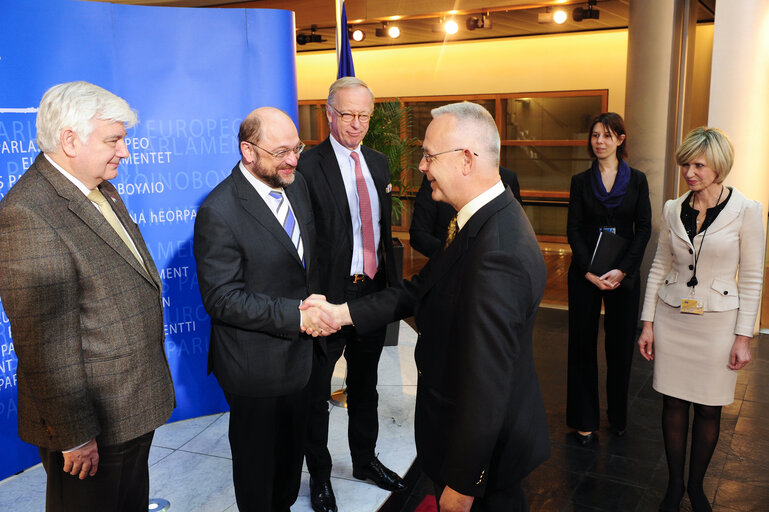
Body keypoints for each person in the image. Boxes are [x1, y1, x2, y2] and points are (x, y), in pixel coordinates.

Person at [303, 101, 550, 512]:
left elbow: (488, 384)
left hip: (482, 459)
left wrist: (463, 482)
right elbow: (416, 289)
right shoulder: (476, 221)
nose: (420, 166)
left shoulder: (497, 252)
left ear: (467, 160)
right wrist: (341, 313)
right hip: (461, 437)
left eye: (429, 156)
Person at [0, 81, 175, 512]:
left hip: (129, 406)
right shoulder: (28, 213)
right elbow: (44, 346)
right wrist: (74, 436)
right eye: (114, 140)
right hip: (90, 426)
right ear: (70, 140)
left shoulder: (99, 187)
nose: (125, 152)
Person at [193, 107, 335, 511]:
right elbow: (222, 298)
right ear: (248, 151)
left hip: (302, 358)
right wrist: (296, 316)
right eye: (281, 152)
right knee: (260, 476)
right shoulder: (219, 211)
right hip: (255, 367)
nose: (293, 159)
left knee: (289, 466)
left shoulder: (296, 183)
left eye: (297, 148)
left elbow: (307, 260)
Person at [637, 127, 763, 512]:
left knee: (709, 408)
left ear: (719, 167)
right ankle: (675, 486)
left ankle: (696, 486)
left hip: (718, 324)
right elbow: (660, 265)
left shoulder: (748, 210)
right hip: (673, 317)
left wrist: (744, 336)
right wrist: (648, 323)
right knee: (672, 405)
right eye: (685, 164)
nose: (689, 173)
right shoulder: (674, 208)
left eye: (698, 165)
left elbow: (755, 275)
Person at [297, 77, 405, 512]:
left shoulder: (379, 164)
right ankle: (320, 478)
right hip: (328, 301)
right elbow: (302, 239)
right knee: (316, 394)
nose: (357, 124)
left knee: (367, 386)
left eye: (364, 116)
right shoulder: (307, 166)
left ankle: (365, 461)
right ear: (329, 113)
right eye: (348, 115)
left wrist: (391, 290)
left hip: (371, 296)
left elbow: (381, 231)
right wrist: (313, 299)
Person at [565, 112, 651, 444]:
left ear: (621, 139)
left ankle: (617, 416)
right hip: (585, 273)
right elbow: (573, 228)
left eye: (607, 135)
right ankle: (584, 420)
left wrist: (624, 269)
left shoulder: (638, 180)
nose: (599, 141)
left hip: (623, 274)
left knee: (619, 347)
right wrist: (588, 269)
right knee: (582, 345)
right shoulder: (580, 181)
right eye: (595, 135)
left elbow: (643, 228)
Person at [409, 166, 522, 257]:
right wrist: (451, 256)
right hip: (443, 270)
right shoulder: (436, 179)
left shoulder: (506, 178)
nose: (423, 165)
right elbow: (418, 234)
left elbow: (514, 234)